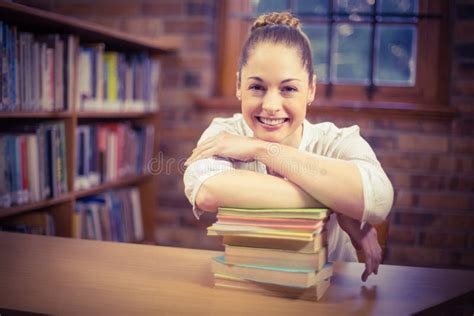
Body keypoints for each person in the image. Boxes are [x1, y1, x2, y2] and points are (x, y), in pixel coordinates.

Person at [183, 12, 393, 282]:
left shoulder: (336, 141)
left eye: (288, 89)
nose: (270, 105)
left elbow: (379, 198)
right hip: (250, 287)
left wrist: (261, 149)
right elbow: (206, 189)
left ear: (311, 90)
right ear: (238, 86)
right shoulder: (226, 133)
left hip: (332, 292)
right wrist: (340, 203)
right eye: (257, 87)